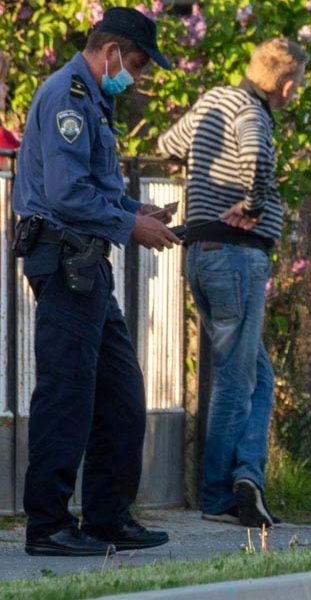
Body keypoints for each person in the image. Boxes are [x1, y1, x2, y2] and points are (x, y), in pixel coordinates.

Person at [12, 7, 179, 556]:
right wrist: (130, 227)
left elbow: (96, 187)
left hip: (87, 266)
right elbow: (65, 196)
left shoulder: (94, 101)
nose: (136, 74)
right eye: (134, 62)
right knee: (68, 391)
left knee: (121, 394)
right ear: (110, 51)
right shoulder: (68, 98)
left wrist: (138, 209)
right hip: (62, 261)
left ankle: (108, 517)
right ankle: (48, 526)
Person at [158, 38, 308, 528]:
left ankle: (247, 477)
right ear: (285, 85)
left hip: (203, 256)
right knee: (235, 381)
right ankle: (221, 497)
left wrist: (205, 172)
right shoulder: (252, 112)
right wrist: (253, 204)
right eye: (296, 87)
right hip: (236, 259)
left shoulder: (213, 100)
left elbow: (167, 145)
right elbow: (255, 160)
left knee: (256, 377)